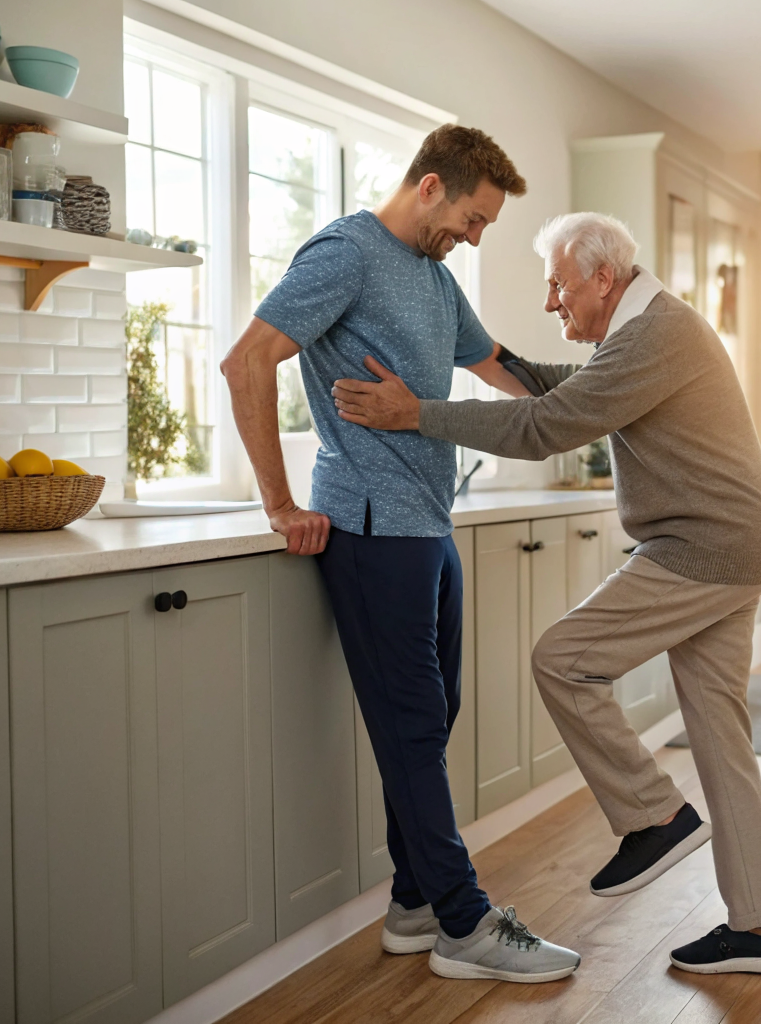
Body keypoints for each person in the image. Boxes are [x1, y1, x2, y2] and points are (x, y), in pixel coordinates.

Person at [330, 212, 761, 976]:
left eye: (558, 286)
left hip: (703, 547)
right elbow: (573, 390)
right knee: (719, 734)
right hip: (736, 543)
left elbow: (549, 427)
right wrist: (493, 359)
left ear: (603, 279)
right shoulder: (647, 328)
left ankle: (654, 816)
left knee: (563, 658)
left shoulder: (656, 335)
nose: (554, 302)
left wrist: (413, 414)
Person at [220, 125, 580, 984]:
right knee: (415, 728)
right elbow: (246, 362)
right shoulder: (346, 253)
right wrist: (279, 502)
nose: (476, 236)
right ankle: (463, 922)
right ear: (429, 187)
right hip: (372, 530)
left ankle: (414, 905)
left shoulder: (432, 276)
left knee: (434, 717)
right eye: (473, 216)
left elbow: (498, 366)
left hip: (429, 527)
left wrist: (616, 384)